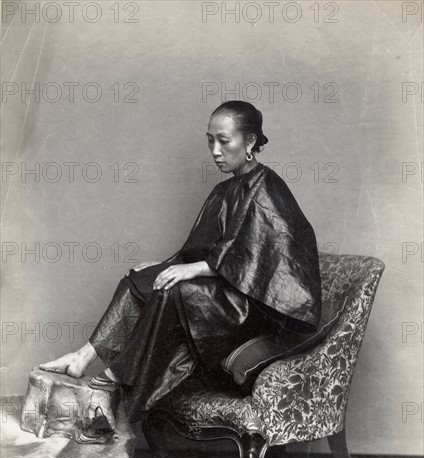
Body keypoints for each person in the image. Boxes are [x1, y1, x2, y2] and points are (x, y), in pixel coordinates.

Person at [40, 101, 322, 423]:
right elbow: (203, 249)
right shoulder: (225, 189)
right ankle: (82, 357)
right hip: (224, 292)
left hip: (251, 309)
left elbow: (261, 261)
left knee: (174, 293)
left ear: (251, 142)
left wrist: (193, 269)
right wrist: (165, 265)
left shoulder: (269, 190)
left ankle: (114, 379)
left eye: (224, 141)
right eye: (210, 141)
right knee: (139, 281)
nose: (215, 151)